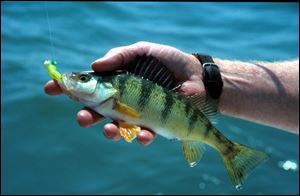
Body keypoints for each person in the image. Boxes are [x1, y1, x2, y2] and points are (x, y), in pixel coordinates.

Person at [44, 41, 299, 145]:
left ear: (101, 84)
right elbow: (128, 120)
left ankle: (228, 149)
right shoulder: (108, 96)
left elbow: (128, 117)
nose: (77, 80)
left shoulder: (111, 94)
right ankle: (226, 148)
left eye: (85, 78)